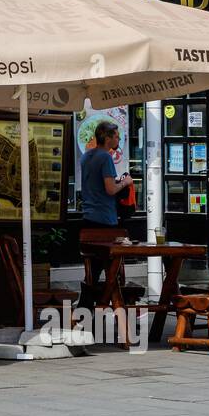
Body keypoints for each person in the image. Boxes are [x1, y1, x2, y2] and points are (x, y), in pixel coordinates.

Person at [79, 121, 133, 307]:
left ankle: (85, 311)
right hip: (105, 219)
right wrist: (125, 182)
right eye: (116, 136)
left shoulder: (86, 156)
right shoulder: (105, 157)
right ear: (107, 137)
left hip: (88, 217)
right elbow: (110, 189)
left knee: (92, 270)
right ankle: (113, 309)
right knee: (112, 269)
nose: (118, 139)